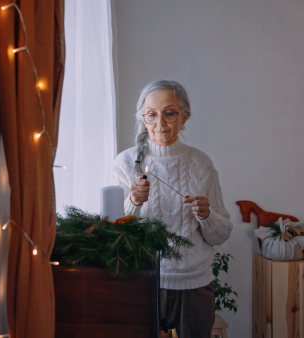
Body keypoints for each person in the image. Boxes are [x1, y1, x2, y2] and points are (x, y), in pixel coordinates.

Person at [112, 80, 233, 338]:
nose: (160, 123)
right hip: (140, 284)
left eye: (169, 113)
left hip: (194, 288)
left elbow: (220, 235)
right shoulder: (125, 163)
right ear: (142, 118)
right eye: (151, 114)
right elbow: (110, 234)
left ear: (184, 116)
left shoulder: (201, 164)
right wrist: (132, 202)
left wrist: (207, 215)